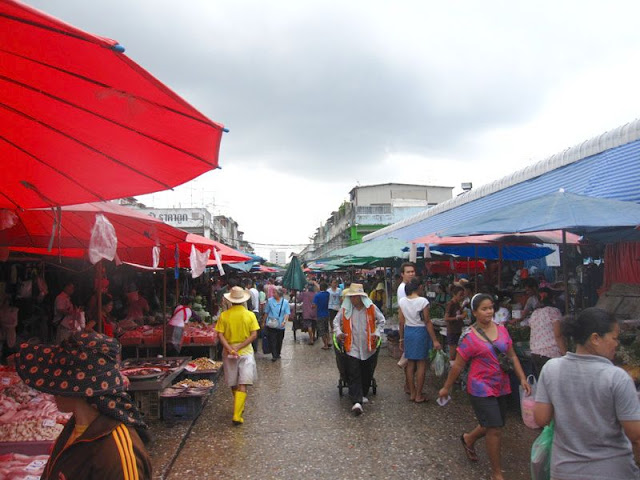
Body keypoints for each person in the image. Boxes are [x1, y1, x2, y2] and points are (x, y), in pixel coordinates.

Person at [15, 331, 152, 479]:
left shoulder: (116, 452)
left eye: (54, 379)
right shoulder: (76, 426)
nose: (51, 391)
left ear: (74, 386)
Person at [534, 308, 640, 480]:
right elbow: (635, 436)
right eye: (614, 338)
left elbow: (540, 418)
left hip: (564, 472)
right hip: (612, 472)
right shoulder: (617, 377)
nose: (617, 344)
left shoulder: (551, 368)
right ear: (595, 338)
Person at [438, 293, 531, 480]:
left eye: (490, 308)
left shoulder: (502, 330)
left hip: (502, 385)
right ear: (474, 312)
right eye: (484, 309)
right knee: (494, 428)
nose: (489, 312)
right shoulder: (469, 337)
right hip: (480, 387)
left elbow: (512, 356)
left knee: (493, 423)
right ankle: (496, 473)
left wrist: (522, 378)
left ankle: (468, 439)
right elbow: (458, 364)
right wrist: (446, 387)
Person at [334, 283, 385, 416]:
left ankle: (362, 394)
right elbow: (335, 322)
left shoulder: (371, 308)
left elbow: (381, 320)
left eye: (354, 297)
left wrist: (377, 333)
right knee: (354, 372)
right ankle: (357, 402)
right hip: (352, 347)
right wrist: (339, 332)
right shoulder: (345, 309)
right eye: (350, 297)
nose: (352, 299)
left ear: (360, 297)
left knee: (367, 372)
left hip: (368, 347)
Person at [215, 286, 260, 426]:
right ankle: (237, 414)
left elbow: (220, 334)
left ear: (231, 300)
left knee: (233, 382)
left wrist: (230, 348)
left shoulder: (224, 315)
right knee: (243, 383)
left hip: (228, 353)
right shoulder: (250, 315)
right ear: (243, 300)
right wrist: (239, 347)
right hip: (245, 352)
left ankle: (238, 408)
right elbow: (254, 335)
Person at [398, 278, 441, 403]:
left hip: (409, 332)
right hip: (421, 332)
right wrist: (435, 340)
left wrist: (401, 338)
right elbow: (427, 321)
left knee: (410, 364)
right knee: (421, 364)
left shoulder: (402, 301)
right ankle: (418, 394)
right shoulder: (423, 301)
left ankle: (412, 392)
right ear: (418, 288)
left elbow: (401, 322)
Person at [528, 287, 566, 378]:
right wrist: (565, 354)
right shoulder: (554, 312)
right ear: (552, 299)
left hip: (535, 353)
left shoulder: (534, 313)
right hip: (550, 354)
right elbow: (558, 335)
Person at [262, 286, 290, 361]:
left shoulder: (285, 302)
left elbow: (287, 313)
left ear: (279, 294)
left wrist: (284, 321)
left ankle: (278, 353)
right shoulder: (270, 301)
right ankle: (274, 355)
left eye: (274, 292)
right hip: (271, 324)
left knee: (279, 340)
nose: (273, 294)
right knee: (272, 339)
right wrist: (263, 322)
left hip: (281, 325)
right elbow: (266, 312)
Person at [444, 285, 465, 364]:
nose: (462, 297)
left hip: (458, 330)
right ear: (454, 294)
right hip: (452, 331)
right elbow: (446, 318)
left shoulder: (458, 304)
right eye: (460, 295)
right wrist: (457, 318)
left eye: (463, 295)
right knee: (452, 354)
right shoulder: (450, 304)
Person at [313, 282, 331, 350]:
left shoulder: (317, 295)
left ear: (320, 287)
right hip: (326, 314)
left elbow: (314, 305)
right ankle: (328, 341)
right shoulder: (327, 294)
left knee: (322, 330)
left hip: (320, 315)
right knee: (326, 329)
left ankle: (325, 345)